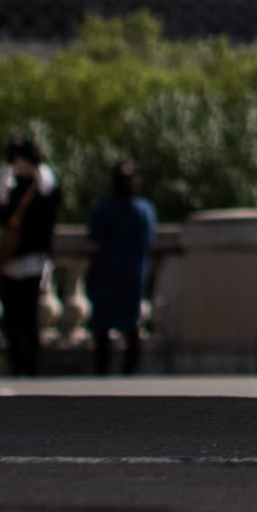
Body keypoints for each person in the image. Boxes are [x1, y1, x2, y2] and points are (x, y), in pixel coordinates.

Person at [0, 135, 62, 378]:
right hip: (11, 260)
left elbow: (52, 203)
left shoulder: (43, 185)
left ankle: (31, 367)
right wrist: (7, 176)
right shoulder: (10, 184)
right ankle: (16, 365)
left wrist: (38, 171)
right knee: (11, 317)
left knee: (29, 316)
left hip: (33, 260)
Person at [85, 161, 158, 376]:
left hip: (124, 272)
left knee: (127, 323)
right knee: (108, 325)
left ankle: (125, 371)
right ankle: (111, 371)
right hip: (116, 271)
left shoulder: (134, 209)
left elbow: (94, 235)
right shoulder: (135, 209)